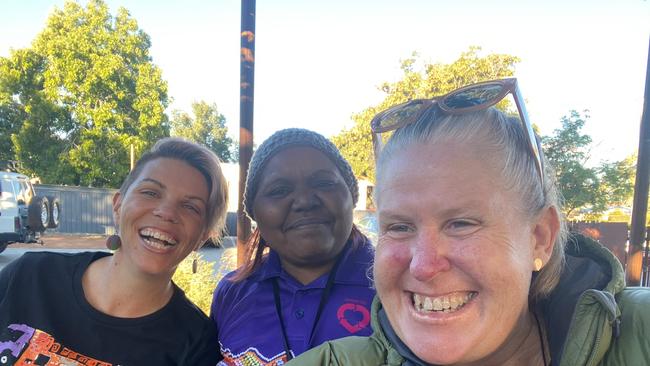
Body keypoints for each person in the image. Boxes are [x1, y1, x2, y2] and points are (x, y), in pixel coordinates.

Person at [289, 78, 650, 365]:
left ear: (540, 237)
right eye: (399, 226)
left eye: (461, 223)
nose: (425, 264)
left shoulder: (638, 335)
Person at [0, 138, 228, 365]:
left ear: (203, 236)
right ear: (118, 206)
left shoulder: (197, 343)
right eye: (151, 192)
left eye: (190, 207)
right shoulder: (29, 276)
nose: (167, 212)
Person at [211, 128, 376, 365]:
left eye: (323, 183)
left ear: (351, 196)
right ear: (255, 213)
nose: (305, 201)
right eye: (279, 190)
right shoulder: (232, 293)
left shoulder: (398, 289)